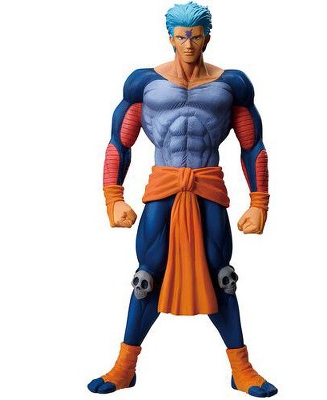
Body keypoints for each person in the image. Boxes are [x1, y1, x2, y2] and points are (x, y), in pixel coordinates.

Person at [88, 2, 277, 397]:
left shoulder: (232, 84)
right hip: (163, 186)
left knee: (222, 277)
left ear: (207, 37)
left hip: (207, 186)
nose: (188, 44)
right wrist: (113, 197)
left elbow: (252, 145)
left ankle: (241, 368)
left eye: (196, 36)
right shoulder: (143, 83)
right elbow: (119, 142)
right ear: (170, 38)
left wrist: (259, 202)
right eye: (181, 36)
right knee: (146, 277)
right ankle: (125, 366)